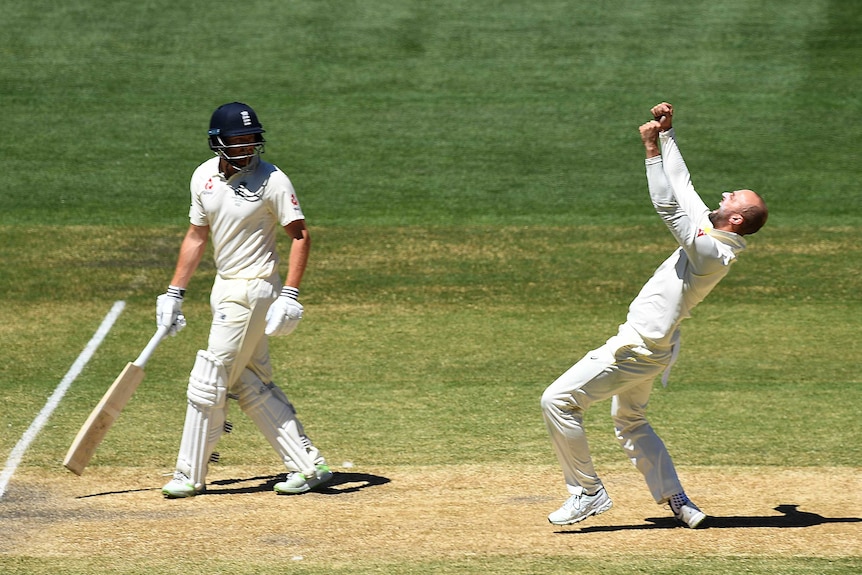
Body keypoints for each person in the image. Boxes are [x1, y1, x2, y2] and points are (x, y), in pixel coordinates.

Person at [540, 102, 768, 528]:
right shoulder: (712, 231)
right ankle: (679, 500)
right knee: (631, 421)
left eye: (732, 197)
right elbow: (681, 184)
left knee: (557, 401)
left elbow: (668, 207)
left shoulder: (711, 252)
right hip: (655, 349)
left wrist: (649, 151)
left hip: (635, 350)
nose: (723, 194)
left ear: (736, 218)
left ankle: (586, 492)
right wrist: (666, 135)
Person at [156, 101, 332, 498]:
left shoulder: (273, 180)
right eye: (238, 139)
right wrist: (174, 293)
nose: (247, 147)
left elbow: (300, 235)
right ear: (218, 142)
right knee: (251, 383)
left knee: (209, 378)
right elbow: (197, 236)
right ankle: (309, 465)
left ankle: (189, 473)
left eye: (252, 139)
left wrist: (289, 293)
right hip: (224, 288)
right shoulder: (202, 177)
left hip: (254, 289)